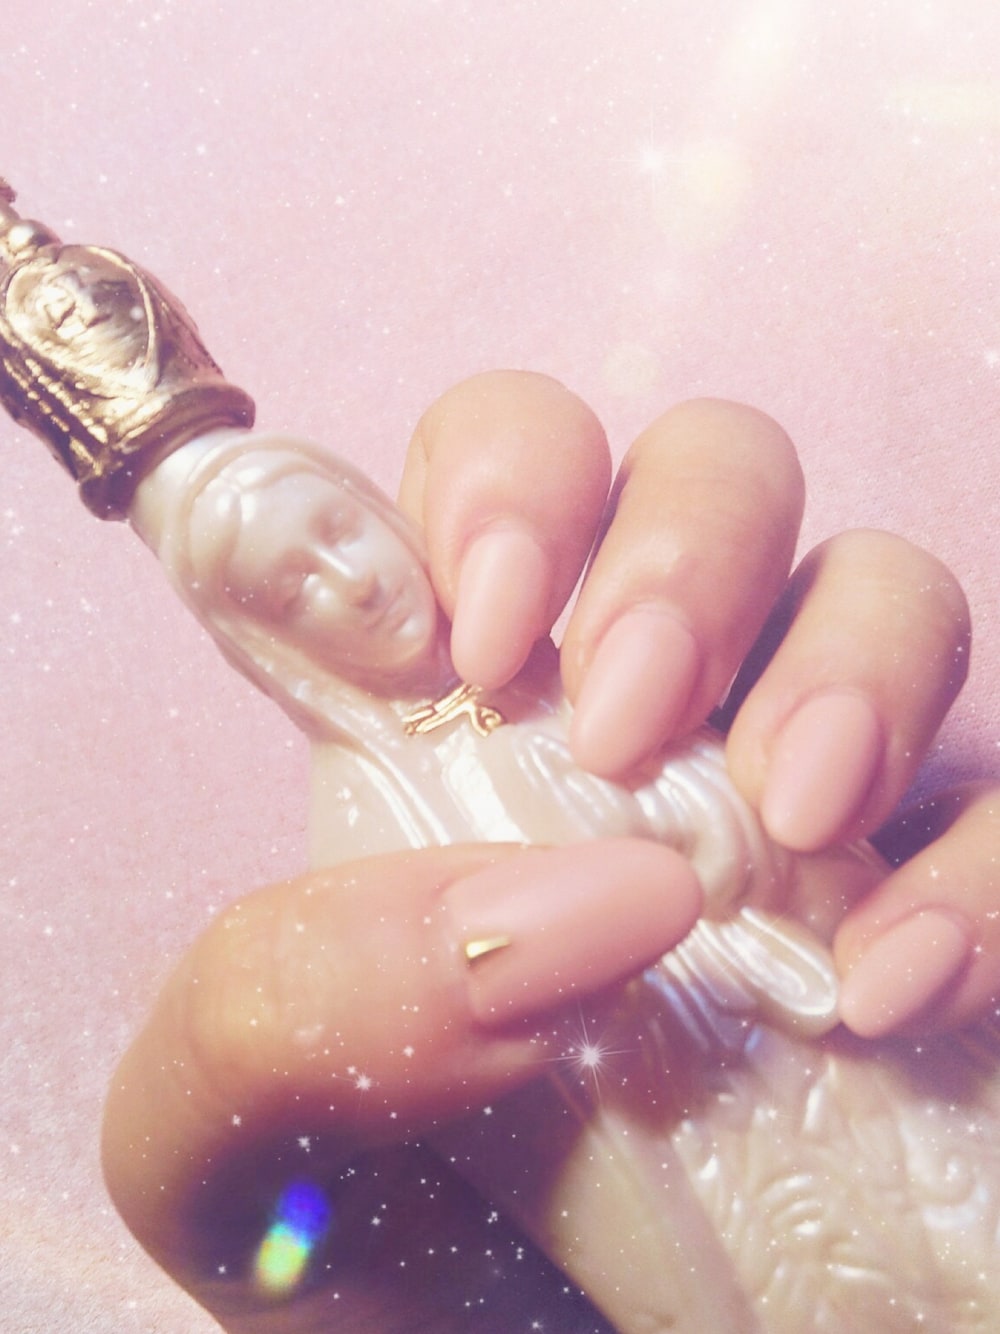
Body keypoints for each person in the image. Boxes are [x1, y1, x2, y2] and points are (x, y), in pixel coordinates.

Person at [104, 375, 1000, 1332]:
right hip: (697, 1146)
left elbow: (744, 843)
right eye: (295, 587)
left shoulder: (573, 681)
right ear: (268, 642)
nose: (354, 581)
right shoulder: (365, 832)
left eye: (341, 530)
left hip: (829, 1043)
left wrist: (756, 833)